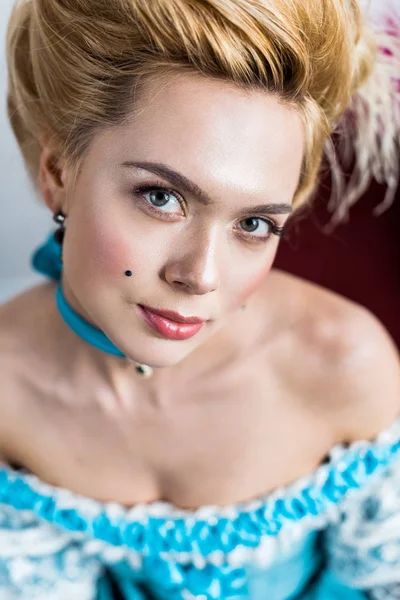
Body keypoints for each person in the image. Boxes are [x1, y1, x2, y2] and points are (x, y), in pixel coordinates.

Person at [0, 0, 400, 598]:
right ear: (59, 170)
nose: (202, 276)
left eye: (255, 225)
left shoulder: (342, 363)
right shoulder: (8, 392)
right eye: (161, 197)